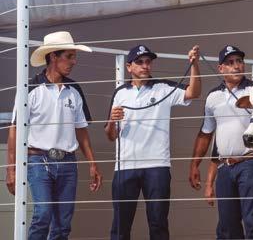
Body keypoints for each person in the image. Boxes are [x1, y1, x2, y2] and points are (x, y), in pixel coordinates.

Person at [5, 31, 103, 240]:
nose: (74, 62)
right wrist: (11, 169)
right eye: (69, 56)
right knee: (43, 214)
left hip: (68, 161)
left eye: (74, 56)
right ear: (53, 57)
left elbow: (81, 129)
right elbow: (14, 129)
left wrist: (93, 163)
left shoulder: (74, 89)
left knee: (63, 223)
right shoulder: (30, 88)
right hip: (37, 160)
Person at [104, 44, 201, 240]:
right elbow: (110, 135)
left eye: (148, 62)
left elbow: (193, 92)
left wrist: (194, 65)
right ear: (129, 67)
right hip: (125, 166)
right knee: (120, 225)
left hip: (157, 166)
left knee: (158, 224)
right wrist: (112, 121)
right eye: (140, 62)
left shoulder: (163, 87)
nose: (145, 66)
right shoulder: (120, 93)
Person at [189, 45, 253, 239]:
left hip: (251, 162)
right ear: (221, 69)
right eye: (230, 63)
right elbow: (206, 134)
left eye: (239, 61)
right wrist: (195, 164)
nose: (236, 66)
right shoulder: (213, 97)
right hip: (225, 167)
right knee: (227, 224)